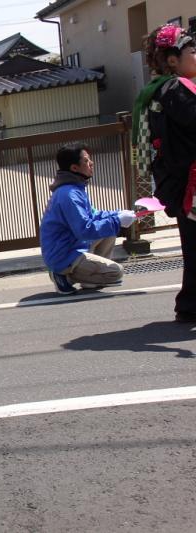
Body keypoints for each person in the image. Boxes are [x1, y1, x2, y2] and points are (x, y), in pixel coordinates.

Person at [134, 24, 196, 322]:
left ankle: (189, 305)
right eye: (191, 51)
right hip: (191, 183)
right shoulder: (176, 89)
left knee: (194, 245)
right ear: (172, 60)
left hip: (182, 181)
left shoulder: (160, 90)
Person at [40, 143, 136, 294]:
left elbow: (94, 215)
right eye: (86, 161)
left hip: (71, 246)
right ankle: (63, 275)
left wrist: (117, 215)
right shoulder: (69, 194)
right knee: (115, 273)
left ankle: (88, 279)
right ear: (74, 168)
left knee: (109, 230)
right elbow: (85, 229)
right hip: (64, 255)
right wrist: (117, 221)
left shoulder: (75, 188)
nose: (91, 163)